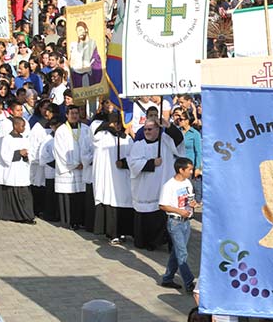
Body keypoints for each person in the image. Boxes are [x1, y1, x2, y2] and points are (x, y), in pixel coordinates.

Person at [129, 119, 185, 249]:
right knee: (146, 217)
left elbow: (179, 140)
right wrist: (151, 163)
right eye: (145, 129)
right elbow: (133, 164)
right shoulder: (138, 145)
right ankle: (146, 242)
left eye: (150, 129)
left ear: (158, 129)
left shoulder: (165, 141)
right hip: (145, 188)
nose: (147, 132)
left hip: (162, 185)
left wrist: (169, 126)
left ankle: (160, 241)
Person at [93, 112, 134, 243]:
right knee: (111, 203)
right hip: (109, 178)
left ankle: (123, 232)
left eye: (118, 123)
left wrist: (124, 163)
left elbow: (132, 156)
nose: (116, 125)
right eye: (114, 122)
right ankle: (112, 233)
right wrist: (107, 127)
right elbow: (95, 137)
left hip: (123, 177)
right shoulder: (103, 137)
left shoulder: (126, 139)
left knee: (123, 204)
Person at [159, 157, 198, 292]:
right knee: (182, 253)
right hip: (175, 222)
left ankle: (168, 278)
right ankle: (189, 282)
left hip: (186, 222)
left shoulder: (187, 183)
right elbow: (163, 205)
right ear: (180, 170)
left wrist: (193, 205)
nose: (191, 172)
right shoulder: (169, 186)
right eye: (189, 169)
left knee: (177, 252)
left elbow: (190, 199)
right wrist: (180, 211)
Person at [55, 105, 93, 229]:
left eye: (76, 113)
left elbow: (90, 147)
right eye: (72, 113)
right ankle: (69, 221)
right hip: (69, 170)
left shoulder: (86, 129)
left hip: (83, 167)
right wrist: (74, 165)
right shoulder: (61, 130)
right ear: (66, 115)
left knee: (81, 196)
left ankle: (81, 221)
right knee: (70, 196)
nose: (75, 115)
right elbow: (59, 151)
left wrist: (85, 162)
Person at [0, 116, 35, 223]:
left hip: (22, 171)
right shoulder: (7, 139)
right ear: (15, 126)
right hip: (11, 171)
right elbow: (4, 155)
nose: (24, 128)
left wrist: (26, 155)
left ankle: (26, 215)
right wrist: (18, 153)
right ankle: (14, 215)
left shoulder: (24, 138)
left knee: (24, 194)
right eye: (22, 126)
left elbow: (30, 153)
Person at [69, 21, 102, 88]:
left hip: (89, 76)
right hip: (77, 77)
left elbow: (95, 62)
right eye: (77, 31)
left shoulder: (92, 43)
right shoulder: (73, 45)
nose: (79, 33)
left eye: (81, 30)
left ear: (86, 29)